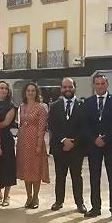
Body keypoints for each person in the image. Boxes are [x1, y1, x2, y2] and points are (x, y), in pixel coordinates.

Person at [83, 74, 112, 222]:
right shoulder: (88, 102)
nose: (100, 86)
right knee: (95, 178)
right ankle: (95, 207)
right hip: (94, 146)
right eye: (97, 84)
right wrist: (94, 138)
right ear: (94, 85)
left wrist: (105, 138)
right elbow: (85, 124)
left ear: (107, 85)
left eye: (102, 83)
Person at [48, 78, 87, 214]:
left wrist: (73, 142)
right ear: (61, 89)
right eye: (65, 87)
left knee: (76, 176)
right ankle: (59, 201)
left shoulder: (83, 105)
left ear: (75, 88)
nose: (67, 89)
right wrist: (64, 140)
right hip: (60, 147)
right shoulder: (55, 106)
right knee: (60, 176)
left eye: (70, 86)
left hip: (77, 148)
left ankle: (80, 203)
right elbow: (52, 125)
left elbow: (84, 126)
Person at [16, 82, 49, 209]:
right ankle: (28, 196)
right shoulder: (22, 106)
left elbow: (42, 127)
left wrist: (39, 144)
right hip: (23, 141)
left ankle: (35, 197)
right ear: (25, 92)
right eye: (28, 90)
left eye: (33, 91)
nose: (30, 93)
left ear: (36, 93)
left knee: (35, 170)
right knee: (26, 170)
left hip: (35, 141)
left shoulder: (40, 108)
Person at [0, 81, 17, 207]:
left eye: (6, 88)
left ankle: (7, 195)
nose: (4, 90)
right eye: (1, 88)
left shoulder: (11, 106)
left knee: (7, 167)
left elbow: (5, 123)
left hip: (5, 139)